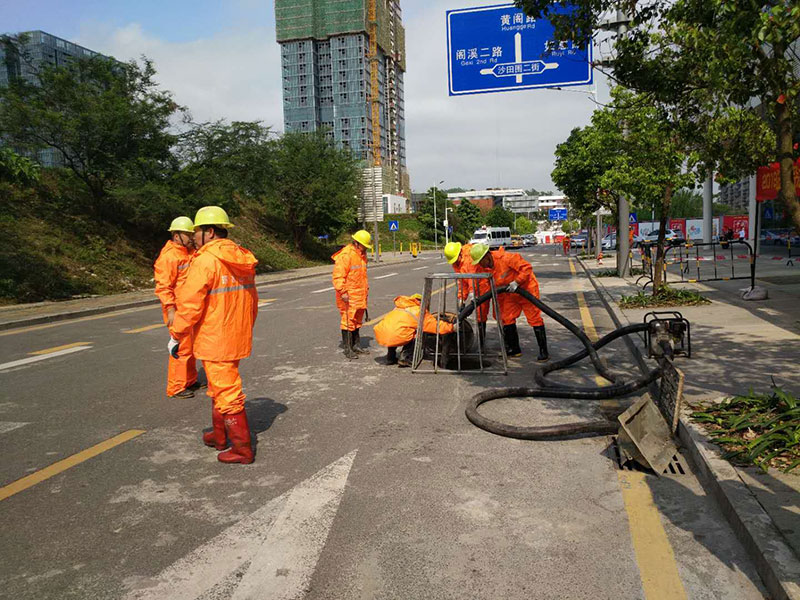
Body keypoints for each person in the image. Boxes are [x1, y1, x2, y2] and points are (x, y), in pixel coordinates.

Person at [170, 206, 259, 464]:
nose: (194, 238)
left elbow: (189, 305)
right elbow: (252, 301)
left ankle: (242, 450)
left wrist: (177, 334)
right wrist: (245, 328)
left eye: (196, 232)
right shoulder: (242, 258)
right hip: (235, 334)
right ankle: (219, 436)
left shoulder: (205, 261)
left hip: (215, 338)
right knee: (219, 387)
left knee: (227, 391)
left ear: (209, 232)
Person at [471, 243, 549, 361]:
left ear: (487, 256)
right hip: (509, 293)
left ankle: (544, 351)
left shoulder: (506, 258)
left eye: (481, 261)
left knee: (534, 318)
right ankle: (514, 349)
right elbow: (485, 284)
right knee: (507, 318)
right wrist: (477, 295)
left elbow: (527, 268)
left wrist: (517, 282)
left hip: (526, 289)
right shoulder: (485, 268)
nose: (480, 264)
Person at [154, 216, 199, 399]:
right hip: (178, 310)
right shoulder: (169, 257)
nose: (191, 237)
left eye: (191, 234)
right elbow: (163, 286)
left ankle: (189, 380)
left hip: (190, 308)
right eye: (187, 234)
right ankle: (176, 387)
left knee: (192, 347)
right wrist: (170, 309)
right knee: (180, 348)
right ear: (176, 235)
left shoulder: (188, 253)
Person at [374, 294, 456, 368]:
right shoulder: (418, 311)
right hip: (397, 334)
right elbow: (434, 326)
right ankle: (406, 357)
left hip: (382, 333)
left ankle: (390, 358)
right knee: (416, 332)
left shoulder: (399, 307)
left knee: (396, 330)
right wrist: (451, 327)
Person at [332, 230, 371, 360]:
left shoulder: (361, 255)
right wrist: (342, 292)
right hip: (348, 295)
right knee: (348, 321)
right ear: (356, 243)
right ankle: (348, 348)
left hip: (360, 294)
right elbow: (338, 276)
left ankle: (356, 345)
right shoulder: (346, 255)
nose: (366, 248)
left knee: (357, 321)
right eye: (364, 245)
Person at [443, 241, 489, 344]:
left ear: (460, 253)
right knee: (475, 314)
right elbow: (462, 281)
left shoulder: (469, 256)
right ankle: (478, 343)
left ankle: (482, 344)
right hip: (476, 286)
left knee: (481, 314)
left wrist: (472, 293)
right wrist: (461, 299)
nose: (455, 263)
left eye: (456, 260)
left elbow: (471, 276)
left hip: (482, 285)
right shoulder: (457, 263)